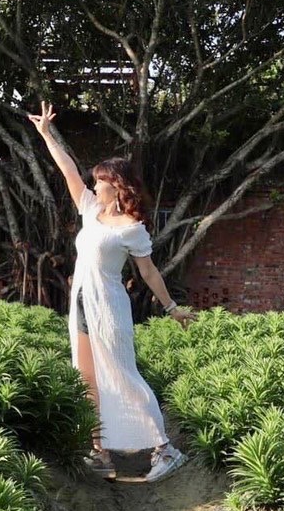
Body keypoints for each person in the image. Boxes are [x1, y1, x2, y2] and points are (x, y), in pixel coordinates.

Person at [27, 100, 192, 482]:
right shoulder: (89, 210)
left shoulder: (131, 228)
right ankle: (100, 453)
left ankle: (165, 450)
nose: (93, 183)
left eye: (100, 179)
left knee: (124, 375)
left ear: (115, 186)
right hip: (81, 305)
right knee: (85, 377)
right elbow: (66, 169)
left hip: (110, 308)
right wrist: (48, 134)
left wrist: (171, 308)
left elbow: (149, 272)